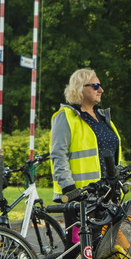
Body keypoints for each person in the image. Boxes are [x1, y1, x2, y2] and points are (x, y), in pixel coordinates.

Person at [50, 68, 122, 201]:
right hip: (80, 196)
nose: (101, 90)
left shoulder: (103, 117)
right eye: (95, 86)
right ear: (79, 88)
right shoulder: (65, 117)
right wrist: (69, 189)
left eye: (100, 86)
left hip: (109, 193)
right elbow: (59, 155)